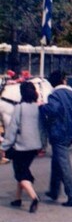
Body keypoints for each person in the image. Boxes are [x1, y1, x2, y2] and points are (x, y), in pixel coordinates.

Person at [40, 70, 72, 207]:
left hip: (59, 132)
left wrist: (42, 107)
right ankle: (54, 190)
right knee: (57, 161)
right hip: (71, 131)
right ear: (64, 80)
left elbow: (53, 110)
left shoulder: (55, 95)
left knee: (64, 164)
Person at [0, 82, 43, 213]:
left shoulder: (19, 108)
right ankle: (17, 198)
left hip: (21, 146)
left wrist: (4, 146)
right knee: (22, 170)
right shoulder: (38, 108)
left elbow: (12, 129)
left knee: (20, 173)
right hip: (35, 146)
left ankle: (34, 198)